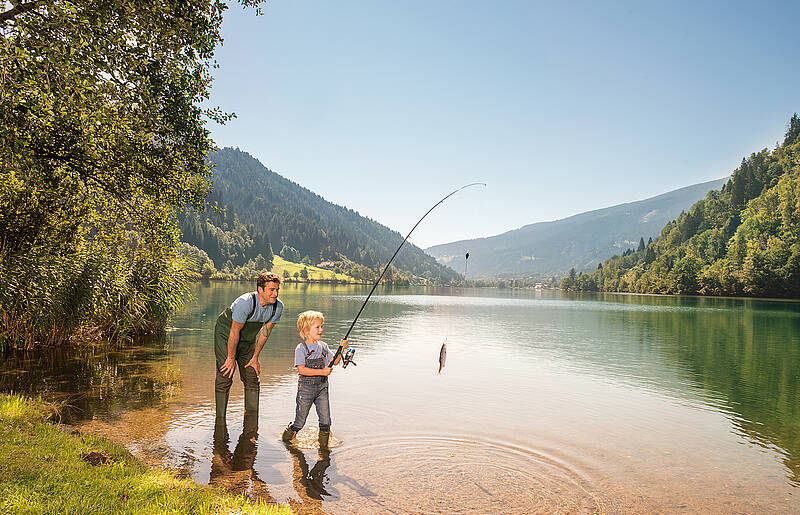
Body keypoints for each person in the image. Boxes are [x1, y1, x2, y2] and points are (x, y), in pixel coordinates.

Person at [214, 272, 283, 420]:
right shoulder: (245, 302)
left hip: (248, 340)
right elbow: (234, 331)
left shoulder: (277, 307)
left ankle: (251, 419)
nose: (275, 293)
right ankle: (220, 420)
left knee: (252, 375)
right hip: (226, 335)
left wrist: (255, 357)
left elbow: (265, 333)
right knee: (226, 373)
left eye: (277, 289)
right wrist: (231, 358)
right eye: (271, 289)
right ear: (260, 289)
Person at [282, 310, 347, 449]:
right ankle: (286, 440)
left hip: (322, 389)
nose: (321, 330)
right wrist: (322, 371)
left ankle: (324, 450)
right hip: (305, 389)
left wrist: (341, 349)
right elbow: (302, 370)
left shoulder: (323, 346)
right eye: (317, 327)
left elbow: (334, 362)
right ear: (306, 331)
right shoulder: (301, 348)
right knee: (300, 422)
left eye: (321, 326)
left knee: (326, 421)